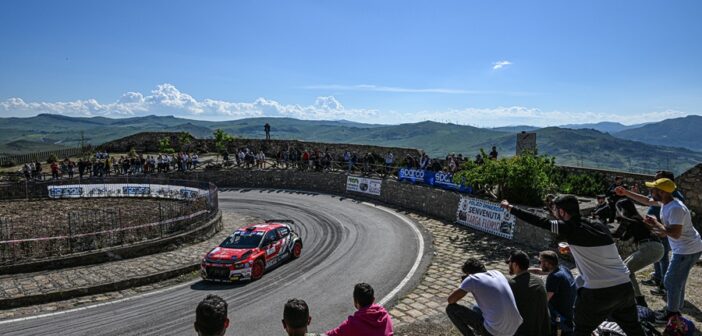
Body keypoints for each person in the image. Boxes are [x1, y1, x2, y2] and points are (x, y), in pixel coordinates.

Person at [501, 195, 644, 336]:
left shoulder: (570, 227)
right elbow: (598, 247)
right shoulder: (598, 225)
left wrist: (510, 208)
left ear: (562, 212)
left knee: (581, 330)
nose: (555, 213)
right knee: (634, 329)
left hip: (598, 292)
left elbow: (539, 221)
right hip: (625, 287)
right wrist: (572, 248)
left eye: (556, 210)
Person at [616, 178, 702, 323]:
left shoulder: (675, 208)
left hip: (687, 250)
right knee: (677, 281)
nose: (651, 192)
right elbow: (646, 201)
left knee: (670, 281)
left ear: (662, 192)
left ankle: (672, 313)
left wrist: (656, 223)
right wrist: (625, 192)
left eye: (653, 189)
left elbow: (675, 233)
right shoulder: (665, 202)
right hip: (685, 248)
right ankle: (675, 309)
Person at [446, 258, 522, 336]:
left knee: (451, 309)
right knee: (476, 308)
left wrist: (464, 284)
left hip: (494, 332)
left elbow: (451, 300)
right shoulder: (497, 273)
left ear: (469, 273)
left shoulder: (472, 279)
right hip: (514, 328)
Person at [612, 198, 664, 307]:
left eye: (618, 210)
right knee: (627, 270)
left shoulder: (629, 220)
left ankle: (638, 302)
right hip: (656, 247)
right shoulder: (636, 219)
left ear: (622, 210)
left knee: (624, 271)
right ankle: (637, 299)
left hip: (649, 247)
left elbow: (618, 235)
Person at [641, 171, 686, 296]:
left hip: (664, 232)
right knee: (657, 255)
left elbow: (675, 227)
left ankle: (664, 285)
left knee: (663, 257)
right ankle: (658, 277)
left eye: (657, 181)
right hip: (657, 230)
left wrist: (659, 226)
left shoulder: (675, 199)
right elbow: (647, 200)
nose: (654, 184)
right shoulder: (663, 195)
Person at [528, 250, 575, 336]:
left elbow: (545, 300)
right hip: (569, 310)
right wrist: (525, 270)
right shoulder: (563, 269)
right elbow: (541, 271)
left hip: (559, 315)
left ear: (547, 263)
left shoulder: (554, 277)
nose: (539, 264)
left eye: (540, 261)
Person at [506, 250, 551, 336]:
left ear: (515, 265)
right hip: (543, 329)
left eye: (510, 263)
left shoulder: (512, 285)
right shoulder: (539, 281)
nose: (509, 266)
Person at [326, 283, 393, 336]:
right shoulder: (385, 315)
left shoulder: (353, 323)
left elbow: (333, 334)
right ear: (373, 299)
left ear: (356, 302)